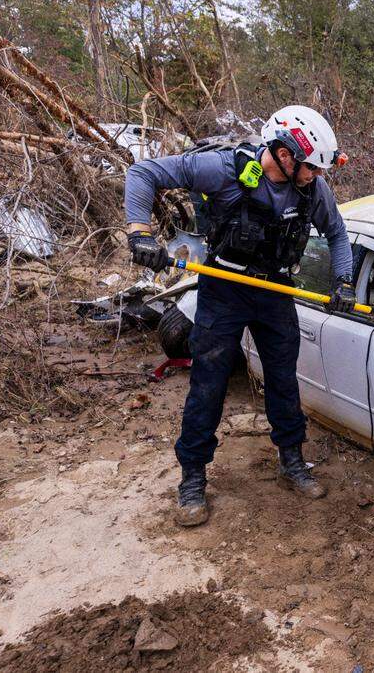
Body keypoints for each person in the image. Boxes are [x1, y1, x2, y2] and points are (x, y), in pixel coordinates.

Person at [123, 105, 356, 527]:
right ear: (284, 154)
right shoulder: (223, 170)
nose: (316, 177)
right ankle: (192, 478)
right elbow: (143, 174)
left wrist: (343, 283)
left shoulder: (313, 190)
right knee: (208, 385)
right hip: (223, 290)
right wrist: (140, 232)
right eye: (311, 168)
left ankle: (292, 461)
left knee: (283, 381)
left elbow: (338, 234)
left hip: (274, 292)